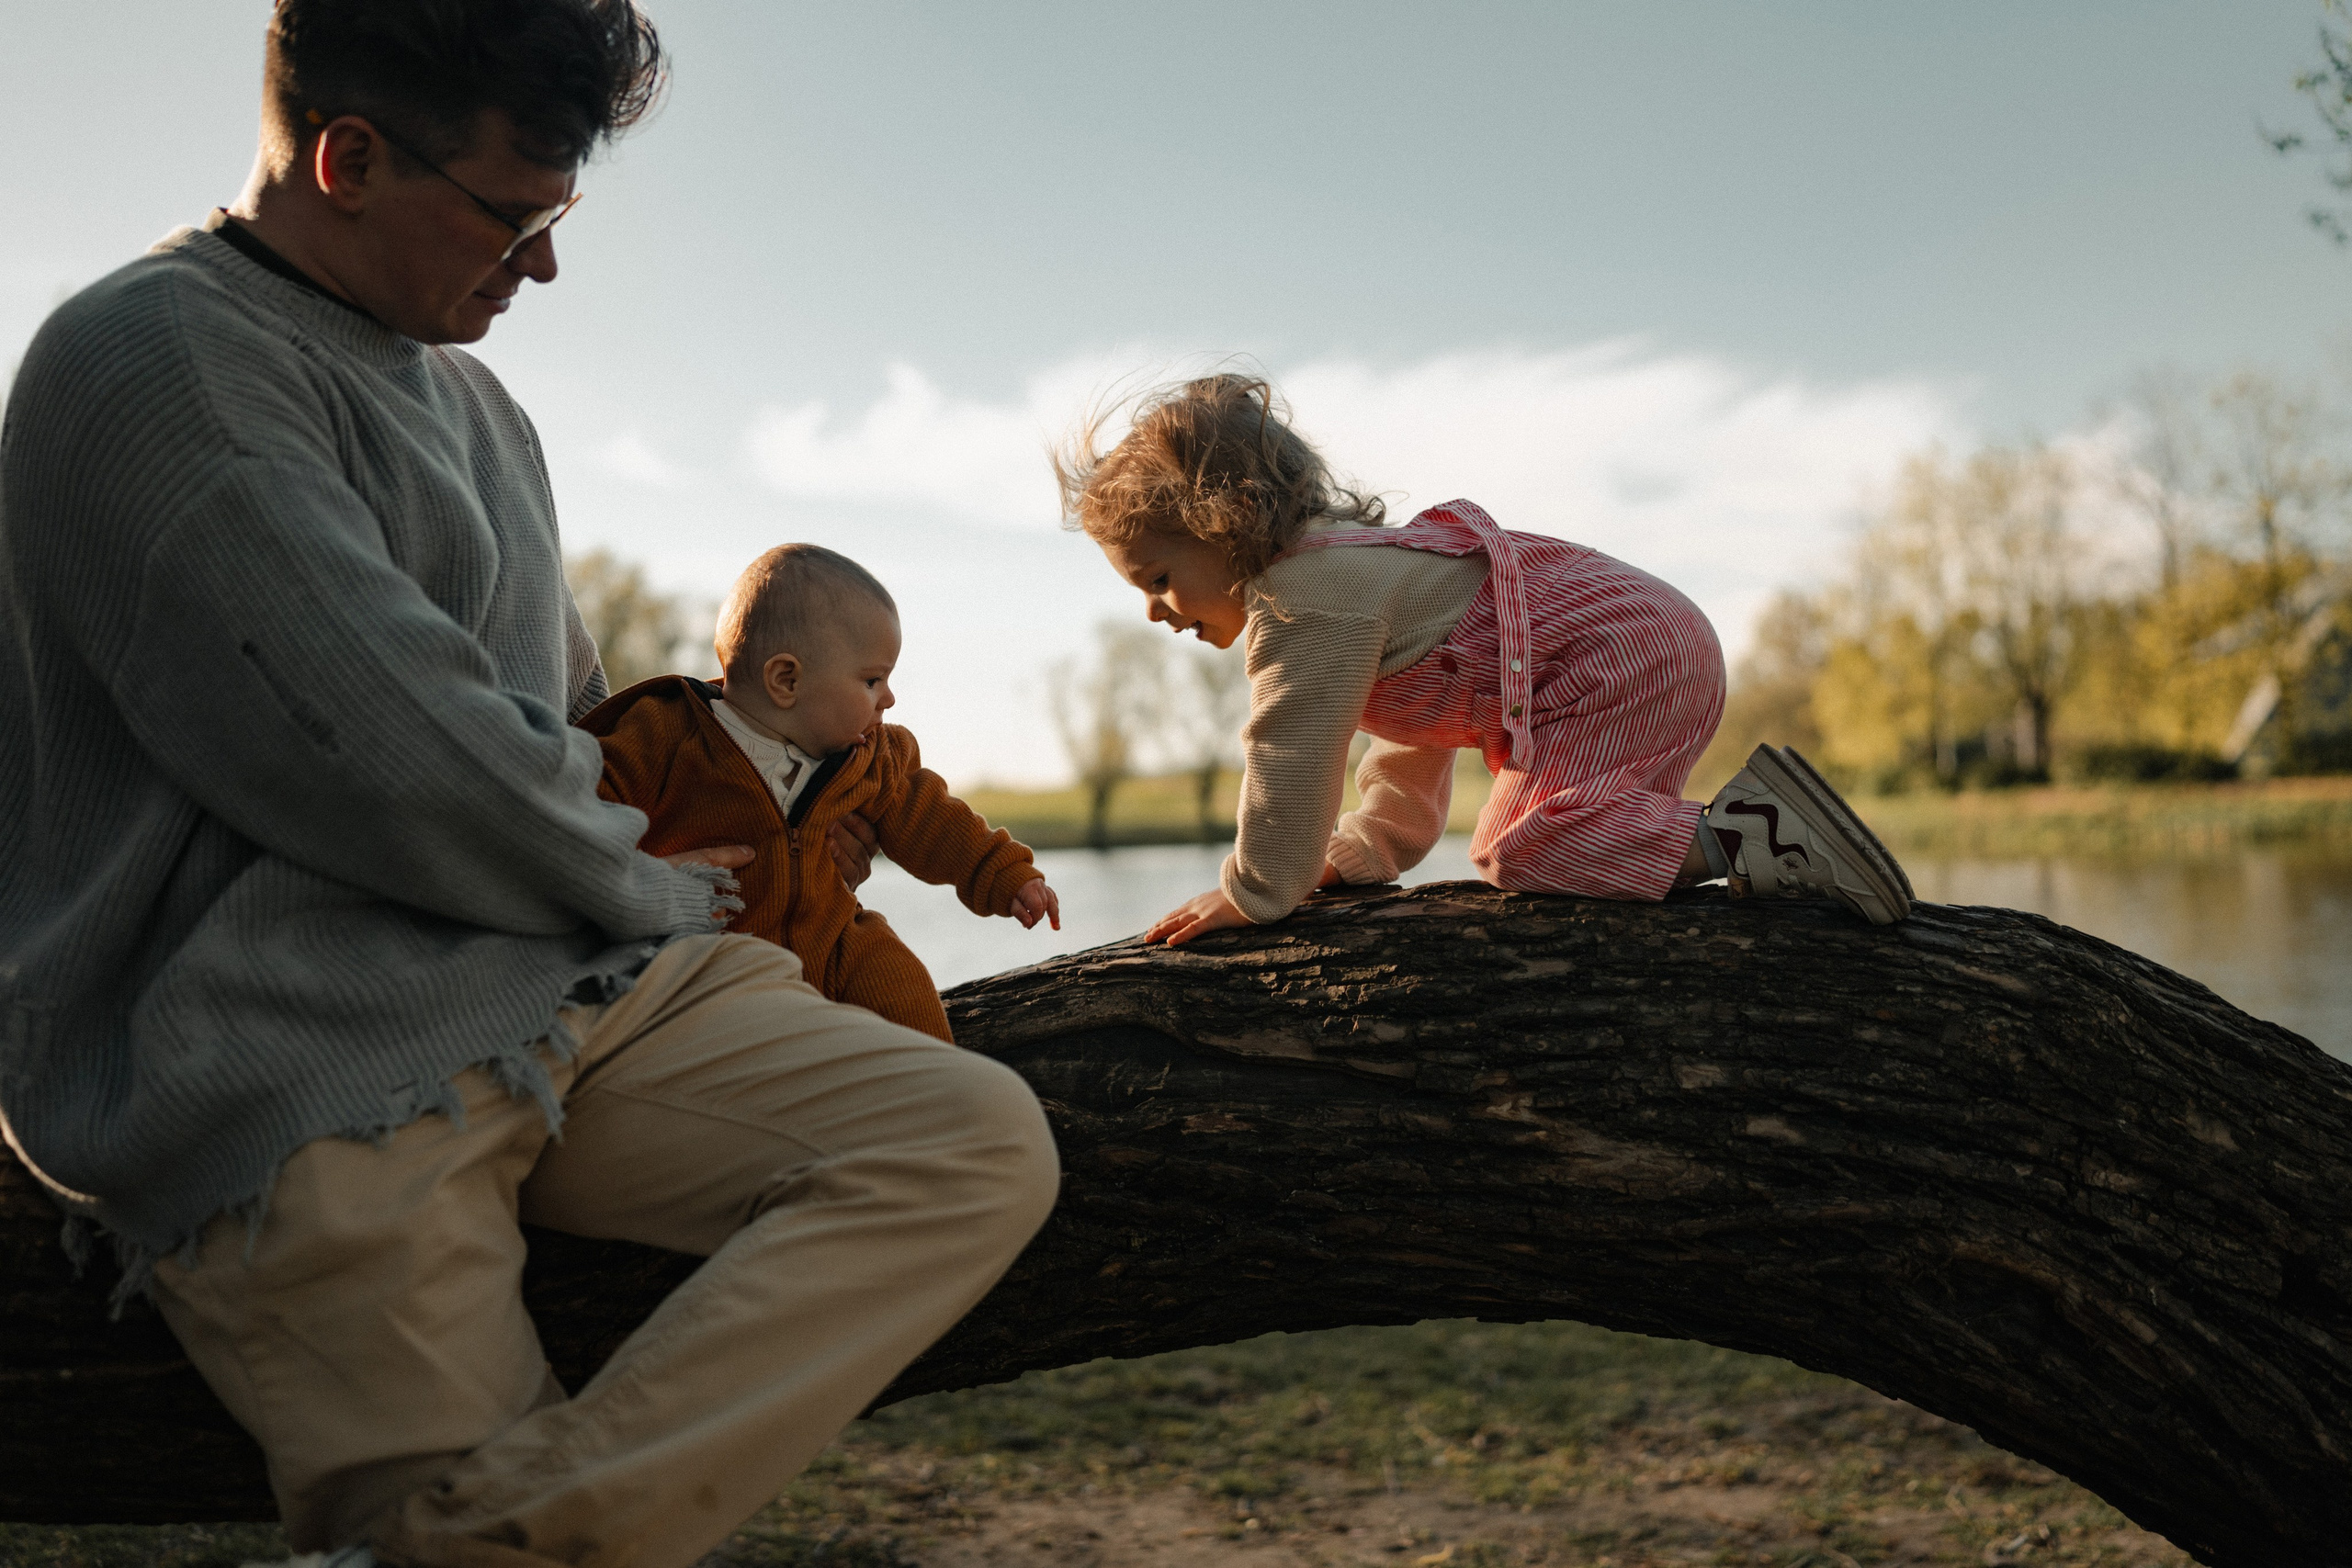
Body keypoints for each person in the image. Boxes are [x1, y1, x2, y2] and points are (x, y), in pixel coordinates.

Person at [0, 5, 1058, 1566]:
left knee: (971, 1144)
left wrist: (687, 905)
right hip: (299, 1056)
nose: (544, 267)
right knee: (451, 1478)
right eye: (514, 218)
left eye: (559, 220)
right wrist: (669, 887)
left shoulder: (482, 407)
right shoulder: (157, 363)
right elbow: (400, 756)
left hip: (587, 987)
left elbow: (566, 733)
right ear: (348, 159)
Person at [1057, 374, 1915, 945]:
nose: (1154, 611)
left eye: (1161, 577)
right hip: (1645, 643)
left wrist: (1254, 892)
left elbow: (1291, 750)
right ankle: (1775, 858)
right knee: (1588, 846)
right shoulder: (1349, 576)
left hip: (1618, 654)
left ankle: (1764, 835)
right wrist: (1369, 851)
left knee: (1522, 844)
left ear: (1223, 521)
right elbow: (1417, 724)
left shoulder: (1304, 593)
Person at [582, 545, 1061, 1043]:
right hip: (707, 951)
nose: (889, 699)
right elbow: (579, 808)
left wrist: (1003, 874)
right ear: (786, 680)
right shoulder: (666, 736)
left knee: (896, 980)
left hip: (831, 939)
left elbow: (930, 817)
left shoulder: (867, 757)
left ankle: (926, 1087)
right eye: (872, 680)